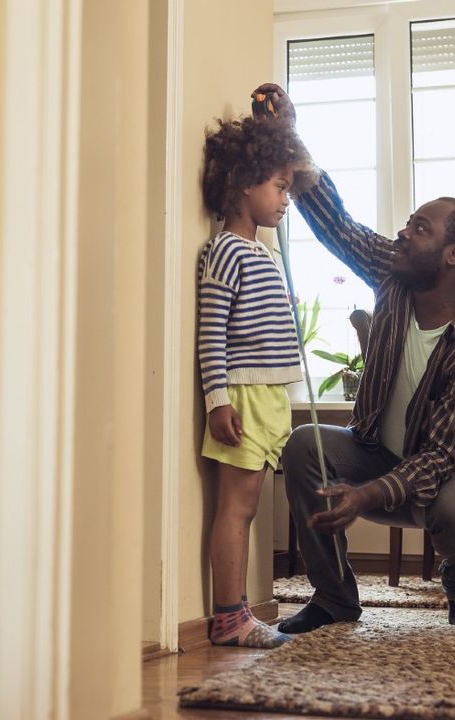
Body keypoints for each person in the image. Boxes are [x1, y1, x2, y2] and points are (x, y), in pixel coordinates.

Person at [248, 84, 455, 635]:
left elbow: (441, 456)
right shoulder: (395, 273)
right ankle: (336, 597)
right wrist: (286, 133)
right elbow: (336, 223)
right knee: (304, 446)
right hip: (379, 456)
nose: (403, 232)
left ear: (453, 255)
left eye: (420, 228)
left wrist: (365, 496)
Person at [197, 112, 314, 648]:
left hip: (269, 397)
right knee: (237, 508)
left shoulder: (261, 250)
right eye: (279, 186)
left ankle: (237, 612)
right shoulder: (225, 250)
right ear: (246, 182)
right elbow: (211, 332)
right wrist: (217, 399)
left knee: (251, 508)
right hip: (242, 394)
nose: (287, 200)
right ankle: (229, 616)